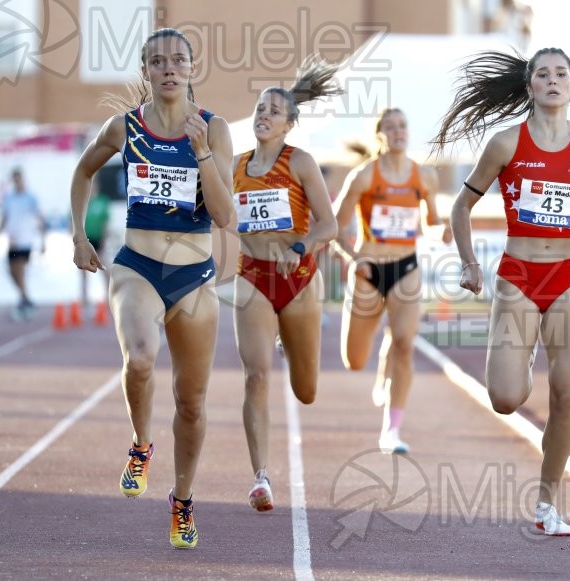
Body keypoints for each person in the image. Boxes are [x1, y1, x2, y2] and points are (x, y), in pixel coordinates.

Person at [432, 48, 570, 536]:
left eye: (560, 74)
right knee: (505, 398)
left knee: (566, 397)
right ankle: (519, 359)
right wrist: (467, 262)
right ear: (529, 87)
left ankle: (547, 504)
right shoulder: (506, 143)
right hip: (518, 279)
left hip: (569, 278)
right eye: (542, 74)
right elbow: (460, 207)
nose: (552, 81)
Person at [70, 28, 234, 549]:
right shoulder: (124, 128)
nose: (168, 68)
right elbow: (83, 171)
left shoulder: (215, 128)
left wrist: (203, 152)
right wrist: (79, 234)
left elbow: (227, 216)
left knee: (192, 401)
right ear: (145, 72)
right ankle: (141, 445)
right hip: (137, 264)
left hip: (194, 274)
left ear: (191, 68)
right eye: (157, 61)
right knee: (139, 359)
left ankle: (182, 501)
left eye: (178, 60)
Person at [231, 54, 340, 512]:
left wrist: (302, 247)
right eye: (260, 108)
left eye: (275, 111)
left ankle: (289, 342)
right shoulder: (234, 167)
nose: (264, 115)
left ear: (289, 124)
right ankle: (261, 476)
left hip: (297, 278)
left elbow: (329, 225)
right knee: (255, 377)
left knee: (306, 391)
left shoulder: (301, 163)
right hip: (253, 277)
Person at [331, 108, 451, 455]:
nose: (399, 131)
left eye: (403, 125)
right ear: (379, 135)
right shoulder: (365, 176)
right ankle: (384, 348)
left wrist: (440, 231)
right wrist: (355, 260)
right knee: (354, 360)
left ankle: (391, 431)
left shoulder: (424, 177)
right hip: (369, 271)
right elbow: (335, 227)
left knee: (405, 343)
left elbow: (430, 221)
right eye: (391, 127)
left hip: (405, 267)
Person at [0, 168, 47, 320]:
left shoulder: (30, 198)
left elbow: (40, 218)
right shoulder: (9, 198)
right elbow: (5, 217)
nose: (17, 182)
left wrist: (43, 240)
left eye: (19, 179)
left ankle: (24, 301)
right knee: (11, 271)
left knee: (19, 270)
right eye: (15, 180)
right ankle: (26, 299)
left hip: (25, 241)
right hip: (12, 241)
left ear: (23, 180)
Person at [80, 177, 111, 308]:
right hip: (85, 241)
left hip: (98, 240)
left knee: (104, 268)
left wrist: (104, 241)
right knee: (83, 270)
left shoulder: (103, 201)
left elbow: (105, 223)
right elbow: (73, 221)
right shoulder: (81, 201)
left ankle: (108, 296)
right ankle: (85, 298)